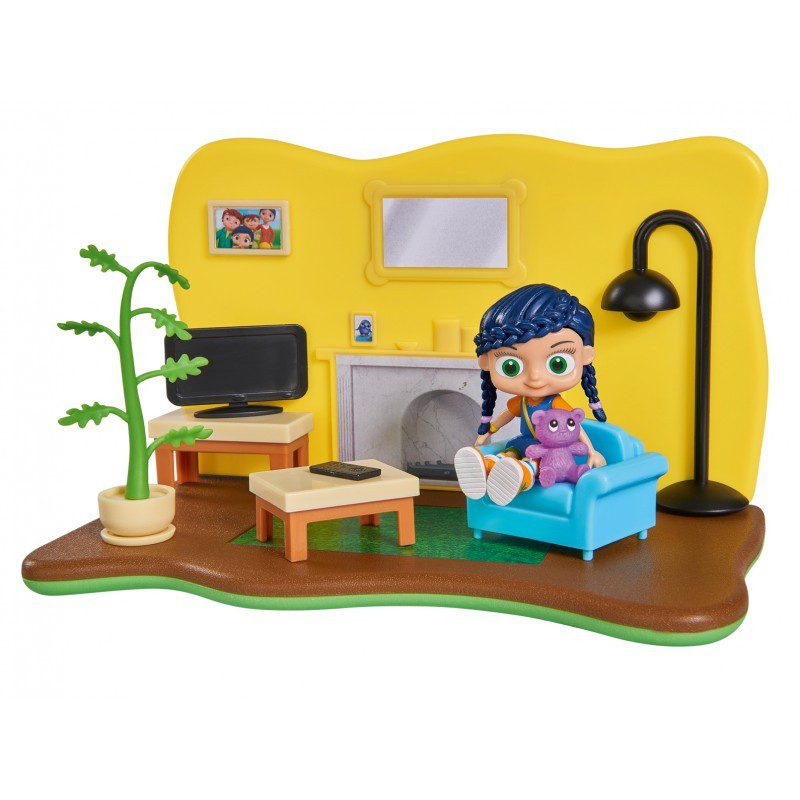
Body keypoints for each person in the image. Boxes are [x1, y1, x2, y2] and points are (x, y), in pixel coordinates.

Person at [454, 284, 606, 506]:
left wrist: (592, 451)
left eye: (557, 363)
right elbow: (507, 415)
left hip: (552, 453)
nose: (535, 378)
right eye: (511, 366)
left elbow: (577, 428)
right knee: (509, 453)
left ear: (585, 356)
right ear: (486, 362)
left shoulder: (556, 403)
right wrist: (488, 431)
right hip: (525, 443)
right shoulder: (522, 402)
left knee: (534, 463)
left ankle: (521, 475)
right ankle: (485, 466)